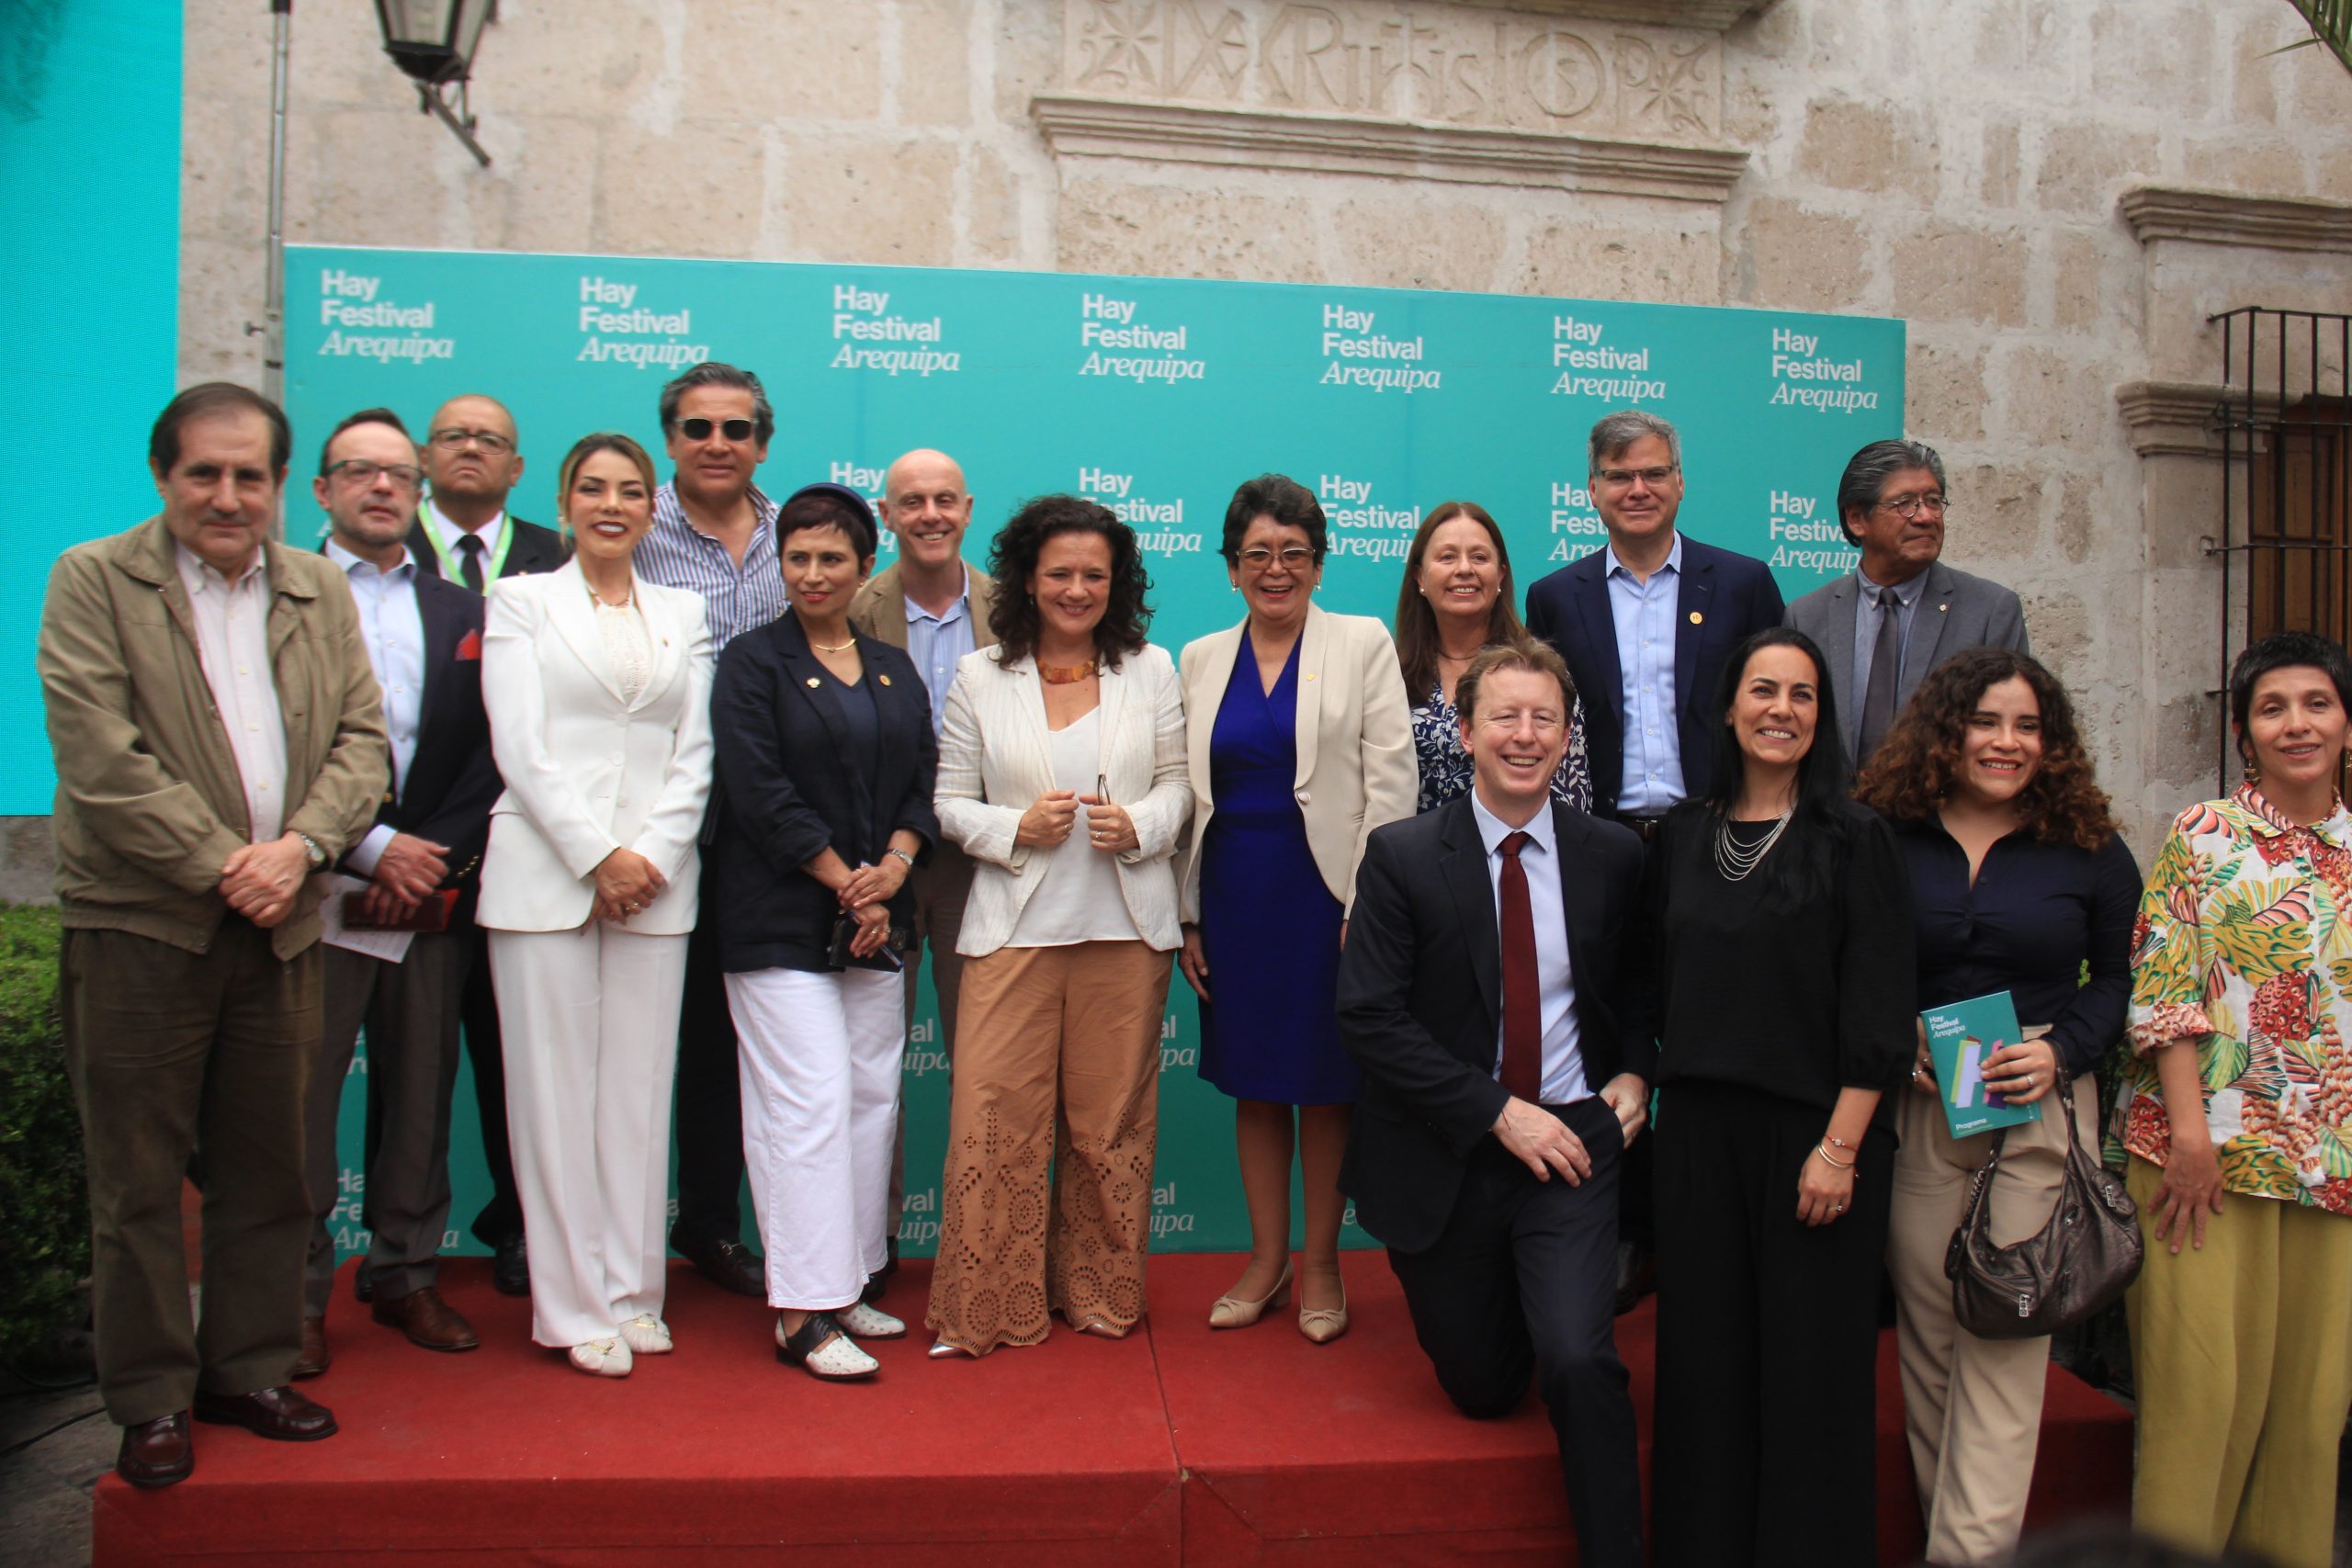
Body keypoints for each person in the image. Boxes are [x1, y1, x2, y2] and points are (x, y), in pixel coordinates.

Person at [40, 383, 388, 1486]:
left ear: (283, 486)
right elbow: (101, 757)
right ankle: (147, 1397)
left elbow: (361, 745)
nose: (228, 495)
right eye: (205, 473)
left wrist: (300, 853)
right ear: (164, 477)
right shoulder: (95, 579)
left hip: (284, 925)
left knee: (272, 1172)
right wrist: (224, 866)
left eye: (250, 475)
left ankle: (246, 1368)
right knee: (137, 1180)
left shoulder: (316, 587)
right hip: (143, 929)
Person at [1336, 638, 1653, 1568]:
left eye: (1543, 718)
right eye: (1504, 717)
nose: (1524, 736)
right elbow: (1368, 1018)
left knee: (1576, 1359)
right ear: (1465, 731)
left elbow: (1638, 993)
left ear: (1567, 735)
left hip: (1571, 1144)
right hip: (1449, 1153)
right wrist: (1493, 1114)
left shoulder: (1613, 856)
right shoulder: (1400, 857)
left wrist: (1636, 1074)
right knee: (1482, 1385)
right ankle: (1554, 1285)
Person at [1852, 648, 2140, 1567]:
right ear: (1947, 728)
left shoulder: (2087, 843)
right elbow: (1846, 963)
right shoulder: (1884, 834)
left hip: (2038, 1115)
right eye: (1986, 721)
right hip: (1920, 1106)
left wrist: (2058, 1053)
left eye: (2027, 725)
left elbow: (2128, 979)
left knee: (2005, 1337)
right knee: (1931, 1349)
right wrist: (1898, 1037)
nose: (2006, 742)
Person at [1645, 626, 1915, 1567]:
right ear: (1728, 706)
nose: (1780, 711)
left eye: (1802, 696)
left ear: (1820, 718)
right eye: (1763, 691)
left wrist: (1839, 1150)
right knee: (1702, 1377)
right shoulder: (1678, 835)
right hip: (1697, 1148)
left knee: (1808, 1383)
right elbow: (1647, 987)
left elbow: (1879, 1015)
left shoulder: (1856, 838)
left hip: (1818, 1144)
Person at [1521, 410, 1784, 1310]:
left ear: (1679, 481)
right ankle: (1624, 1228)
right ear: (1590, 491)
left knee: (1712, 1029)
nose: (1637, 489)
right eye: (1618, 477)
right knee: (1606, 1030)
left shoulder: (1742, 582)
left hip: (1712, 841)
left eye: (1654, 473)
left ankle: (1711, 1231)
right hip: (1597, 845)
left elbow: (1774, 710)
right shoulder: (1556, 597)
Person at [926, 495, 1190, 1357]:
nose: (1076, 589)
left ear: (1118, 585)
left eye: (1094, 575)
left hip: (1124, 927)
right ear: (1027, 582)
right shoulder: (979, 676)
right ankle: (992, 1307)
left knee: (1109, 1125)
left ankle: (1102, 1292)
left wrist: (1142, 826)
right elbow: (948, 803)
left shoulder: (1150, 670)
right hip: (1013, 929)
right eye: (1059, 574)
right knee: (993, 1119)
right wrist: (1012, 831)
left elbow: (1182, 788)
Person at [476, 433, 714, 1378]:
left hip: (657, 883)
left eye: (628, 491)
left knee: (635, 1096)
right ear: (566, 502)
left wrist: (647, 855)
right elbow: (520, 748)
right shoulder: (520, 601)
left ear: (652, 507)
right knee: (551, 1098)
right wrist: (597, 856)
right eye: (592, 489)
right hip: (545, 877)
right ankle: (570, 1306)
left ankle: (633, 1291)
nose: (611, 504)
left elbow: (695, 754)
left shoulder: (683, 609)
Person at [2120, 629, 2352, 1568]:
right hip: (2202, 1157)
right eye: (2272, 708)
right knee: (2198, 1405)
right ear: (2243, 733)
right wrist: (2187, 1136)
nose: (2296, 723)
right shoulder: (2201, 836)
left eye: (2316, 703)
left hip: (2331, 1162)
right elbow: (2164, 992)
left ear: (2344, 722)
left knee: (2307, 1413)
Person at [1178, 473, 1416, 1343]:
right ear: (1231, 566)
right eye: (1256, 555)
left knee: (1324, 1084)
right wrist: (1188, 914)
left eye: (1293, 553)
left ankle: (1321, 1262)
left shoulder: (1362, 642)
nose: (1275, 570)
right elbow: (1186, 797)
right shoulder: (1199, 658)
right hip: (1236, 895)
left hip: (1329, 899)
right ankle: (1265, 1256)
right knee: (1253, 1081)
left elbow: (1393, 783)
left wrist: (1366, 901)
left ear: (1319, 563)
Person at [707, 482, 936, 1379]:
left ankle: (844, 1285)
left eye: (831, 557)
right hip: (777, 923)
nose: (812, 572)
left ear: (863, 565)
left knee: (869, 1103)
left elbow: (921, 776)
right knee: (804, 1107)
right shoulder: (749, 662)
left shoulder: (892, 666)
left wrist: (896, 870)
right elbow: (759, 793)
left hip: (878, 921)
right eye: (796, 556)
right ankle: (799, 1312)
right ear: (779, 563)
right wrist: (849, 881)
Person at [297, 410, 502, 1377]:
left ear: (418, 493)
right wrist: (365, 852)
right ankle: (289, 1297)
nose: (381, 489)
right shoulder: (277, 601)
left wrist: (423, 860)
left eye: (397, 476)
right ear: (321, 491)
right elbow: (266, 750)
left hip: (429, 892)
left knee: (422, 1092)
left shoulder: (463, 611)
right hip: (305, 894)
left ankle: (406, 1273)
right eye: (358, 473)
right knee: (298, 1105)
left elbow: (486, 759)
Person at [409, 390, 569, 1299]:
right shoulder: (375, 553)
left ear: (516, 469)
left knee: (517, 1062)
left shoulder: (559, 557)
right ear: (428, 457)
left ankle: (518, 1228)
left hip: (528, 847)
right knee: (408, 1066)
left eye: (492, 441)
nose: (470, 449)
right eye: (453, 436)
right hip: (405, 859)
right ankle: (405, 1254)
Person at [634, 362, 786, 1299]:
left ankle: (714, 1223)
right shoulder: (629, 525)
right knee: (656, 1027)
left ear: (762, 442)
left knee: (737, 1032)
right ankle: (613, 1236)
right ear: (670, 439)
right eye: (697, 429)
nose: (717, 444)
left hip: (767, 819)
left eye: (736, 429)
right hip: (656, 811)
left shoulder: (797, 534)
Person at [848, 446, 1001, 1297]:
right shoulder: (856, 604)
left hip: (985, 869)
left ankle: (982, 1237)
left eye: (946, 498)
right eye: (913, 501)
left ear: (968, 507)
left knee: (986, 1061)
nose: (931, 514)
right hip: (885, 867)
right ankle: (872, 1244)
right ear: (888, 513)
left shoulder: (1013, 607)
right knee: (873, 1064)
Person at [1784, 438, 2030, 766]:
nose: (1926, 517)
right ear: (1857, 519)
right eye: (1905, 503)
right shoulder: (1808, 617)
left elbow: (2010, 730)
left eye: (1933, 501)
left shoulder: (1990, 611)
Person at [1393, 500, 1591, 813]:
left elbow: (1570, 793)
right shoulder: (1389, 674)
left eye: (1479, 557)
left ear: (1500, 576)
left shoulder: (1539, 672)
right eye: (1447, 557)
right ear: (1419, 577)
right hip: (1409, 857)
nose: (1464, 569)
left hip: (1512, 857)